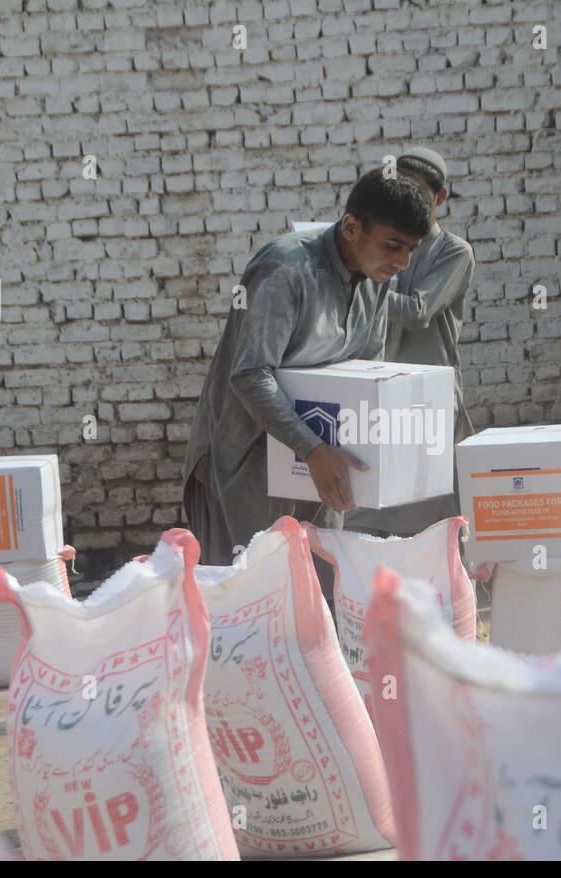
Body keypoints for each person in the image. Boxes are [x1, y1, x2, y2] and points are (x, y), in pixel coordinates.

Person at [182, 168, 434, 565]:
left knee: (319, 589)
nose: (402, 261)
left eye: (411, 249)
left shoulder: (378, 278)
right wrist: (313, 450)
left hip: (322, 462)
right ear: (352, 227)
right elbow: (250, 374)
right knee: (252, 596)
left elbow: (364, 374)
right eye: (392, 245)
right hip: (245, 464)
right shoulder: (286, 270)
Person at [346, 147, 476, 537]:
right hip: (382, 394)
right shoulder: (378, 248)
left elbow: (418, 310)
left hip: (429, 396)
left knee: (437, 510)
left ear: (440, 198)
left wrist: (364, 274)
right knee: (376, 506)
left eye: (419, 194)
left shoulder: (454, 252)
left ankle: (453, 588)